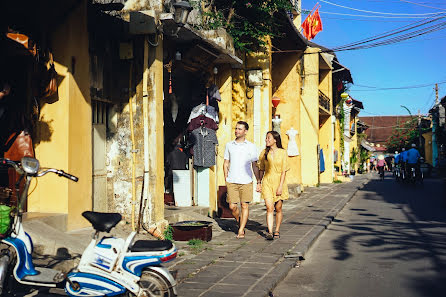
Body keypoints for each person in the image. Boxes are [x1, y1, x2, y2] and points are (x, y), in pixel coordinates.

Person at [223, 121, 260, 239]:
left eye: (239, 129)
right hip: (232, 180)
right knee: (232, 207)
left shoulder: (251, 146)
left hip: (246, 180)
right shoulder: (229, 145)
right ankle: (239, 220)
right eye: (236, 128)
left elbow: (254, 164)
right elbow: (225, 163)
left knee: (244, 205)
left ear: (245, 131)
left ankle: (241, 229)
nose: (236, 131)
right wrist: (226, 178)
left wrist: (258, 180)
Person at [258, 131, 289, 240]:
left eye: (268, 138)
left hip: (279, 181)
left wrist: (280, 186)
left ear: (275, 140)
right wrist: (258, 182)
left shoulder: (283, 153)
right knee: (269, 207)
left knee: (278, 207)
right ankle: (270, 232)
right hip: (267, 181)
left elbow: (284, 171)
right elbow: (261, 169)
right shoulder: (264, 153)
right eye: (266, 138)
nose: (266, 140)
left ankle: (277, 230)